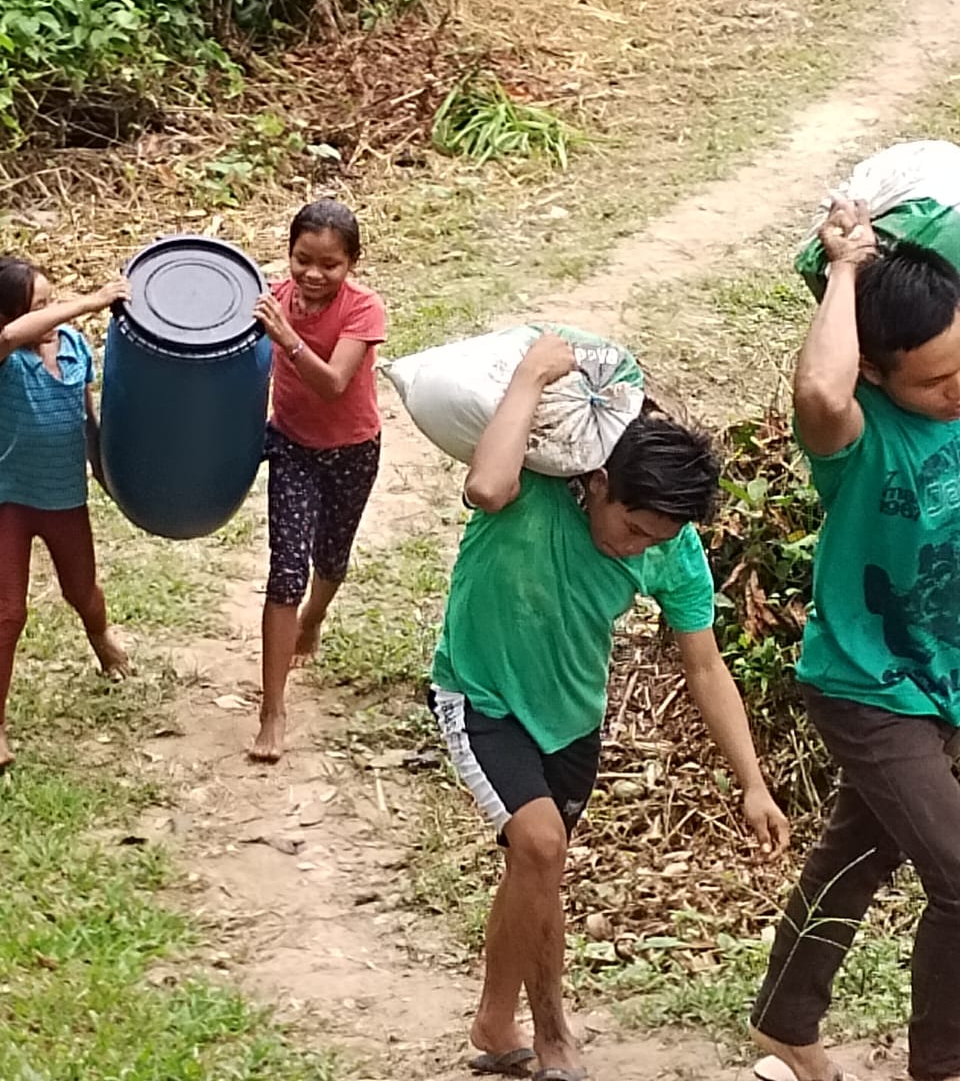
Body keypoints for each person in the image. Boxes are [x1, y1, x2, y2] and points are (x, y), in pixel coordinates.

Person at [429, 332, 789, 1081]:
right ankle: (545, 1027)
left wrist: (752, 781)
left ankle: (498, 1022)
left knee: (535, 868)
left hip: (572, 718)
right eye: (630, 527)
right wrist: (531, 375)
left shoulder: (672, 550)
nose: (635, 548)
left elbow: (705, 665)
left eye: (654, 538)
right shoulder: (533, 480)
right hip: (482, 693)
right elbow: (484, 490)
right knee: (540, 847)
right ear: (595, 482)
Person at [750, 201, 960, 1081]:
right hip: (868, 683)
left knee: (858, 853)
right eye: (937, 382)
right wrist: (844, 268)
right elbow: (819, 392)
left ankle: (784, 1023)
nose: (959, 391)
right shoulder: (856, 438)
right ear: (876, 371)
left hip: (942, 678)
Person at [249, 199, 386, 763]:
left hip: (354, 449)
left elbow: (334, 383)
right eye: (301, 259)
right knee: (286, 571)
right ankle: (272, 709)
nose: (311, 274)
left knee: (330, 558)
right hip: (293, 446)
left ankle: (316, 618)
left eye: (328, 264)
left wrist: (287, 338)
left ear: (350, 264)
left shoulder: (364, 310)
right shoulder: (274, 300)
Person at [0, 257, 131, 769]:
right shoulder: (8, 355)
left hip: (64, 498)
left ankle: (101, 637)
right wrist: (91, 301)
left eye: (53, 300)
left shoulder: (75, 348)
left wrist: (109, 477)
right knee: (7, 612)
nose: (53, 314)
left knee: (82, 590)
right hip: (9, 498)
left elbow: (87, 419)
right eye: (41, 306)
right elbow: (12, 335)